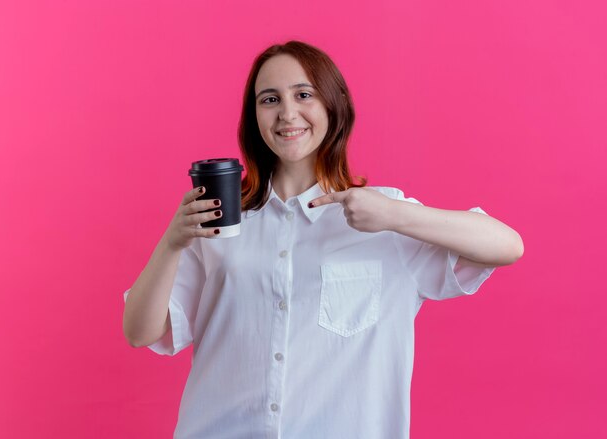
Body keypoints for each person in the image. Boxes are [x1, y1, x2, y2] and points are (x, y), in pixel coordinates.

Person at [122, 40, 524, 439]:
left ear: (334, 105)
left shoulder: (387, 217)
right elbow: (140, 332)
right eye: (269, 99)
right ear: (254, 117)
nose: (287, 113)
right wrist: (173, 241)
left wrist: (396, 215)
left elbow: (507, 246)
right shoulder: (221, 222)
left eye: (303, 94)